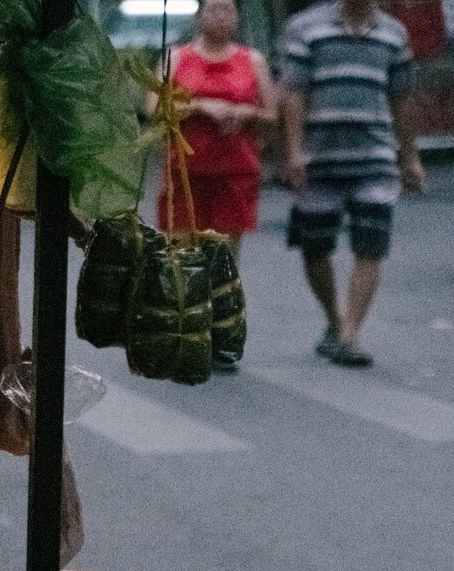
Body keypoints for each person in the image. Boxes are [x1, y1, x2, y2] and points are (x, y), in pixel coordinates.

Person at [280, 0, 425, 369]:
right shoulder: (305, 28)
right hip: (319, 158)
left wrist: (409, 155)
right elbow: (293, 94)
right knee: (315, 249)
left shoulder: (393, 34)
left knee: (371, 244)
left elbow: (401, 96)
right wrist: (294, 151)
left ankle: (349, 334)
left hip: (375, 157)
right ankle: (334, 318)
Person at [154, 0, 274, 260]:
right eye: (214, 10)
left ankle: (221, 300)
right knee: (181, 259)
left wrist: (246, 112)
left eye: (228, 10)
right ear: (198, 17)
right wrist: (198, 106)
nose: (222, 17)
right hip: (184, 173)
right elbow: (154, 109)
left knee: (224, 260)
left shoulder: (253, 60)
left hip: (235, 174)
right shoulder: (176, 58)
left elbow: (272, 116)